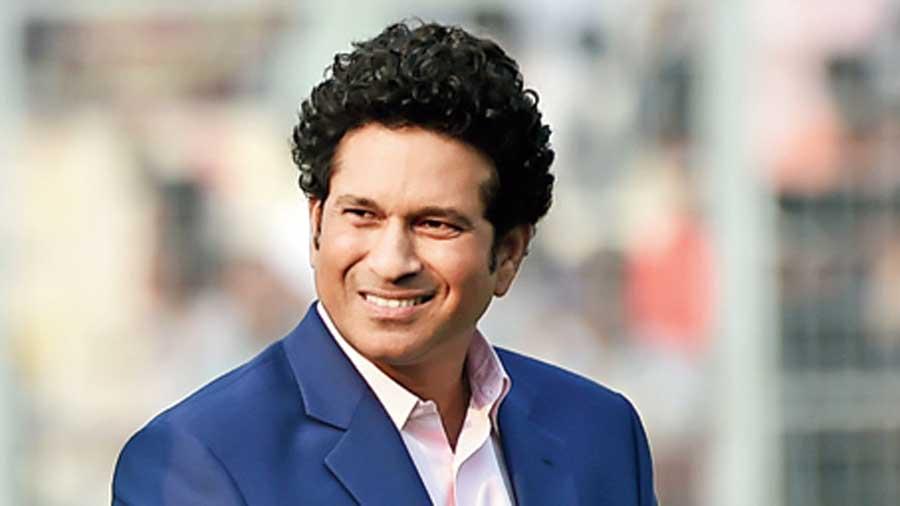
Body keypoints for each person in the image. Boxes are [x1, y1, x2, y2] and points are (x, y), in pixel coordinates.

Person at [112, 20, 656, 505]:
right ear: (317, 224)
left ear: (509, 252)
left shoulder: (600, 436)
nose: (392, 261)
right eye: (363, 215)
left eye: (435, 224)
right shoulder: (200, 463)